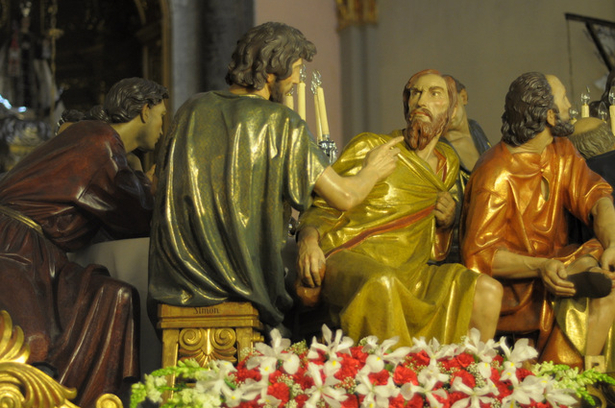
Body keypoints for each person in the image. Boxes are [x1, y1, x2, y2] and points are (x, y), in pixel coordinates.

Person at [148, 22, 401, 333]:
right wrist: (372, 169)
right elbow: (345, 196)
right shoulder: (282, 122)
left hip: (180, 281)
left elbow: (158, 186)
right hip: (245, 285)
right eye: (295, 69)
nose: (297, 80)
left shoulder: (191, 109)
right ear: (270, 71)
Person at [296, 69, 503, 346]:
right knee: (381, 282)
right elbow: (321, 207)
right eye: (415, 93)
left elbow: (433, 244)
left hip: (412, 271)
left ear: (451, 109)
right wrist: (308, 242)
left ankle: (467, 371)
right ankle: (394, 370)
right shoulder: (372, 146)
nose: (421, 101)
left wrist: (447, 222)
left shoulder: (447, 163)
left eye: (434, 94)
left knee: (487, 290)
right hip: (353, 259)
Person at [0, 77, 168, 407]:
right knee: (32, 343)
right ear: (145, 111)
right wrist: (149, 187)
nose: (164, 129)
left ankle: (92, 399)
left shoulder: (106, 148)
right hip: (14, 246)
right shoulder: (98, 140)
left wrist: (137, 177)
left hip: (43, 255)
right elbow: (131, 216)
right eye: (162, 116)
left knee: (115, 296)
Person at [461, 72, 615, 370]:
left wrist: (612, 244)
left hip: (557, 263)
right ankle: (562, 374)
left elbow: (597, 198)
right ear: (549, 116)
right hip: (519, 288)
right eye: (564, 98)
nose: (571, 105)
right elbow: (480, 255)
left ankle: (589, 374)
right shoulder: (496, 175)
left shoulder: (560, 150)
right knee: (592, 288)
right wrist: (541, 267)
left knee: (603, 274)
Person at [440, 75, 491, 263]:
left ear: (463, 97)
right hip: (458, 248)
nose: (447, 111)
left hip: (489, 236)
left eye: (450, 100)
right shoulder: (438, 149)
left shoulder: (476, 129)